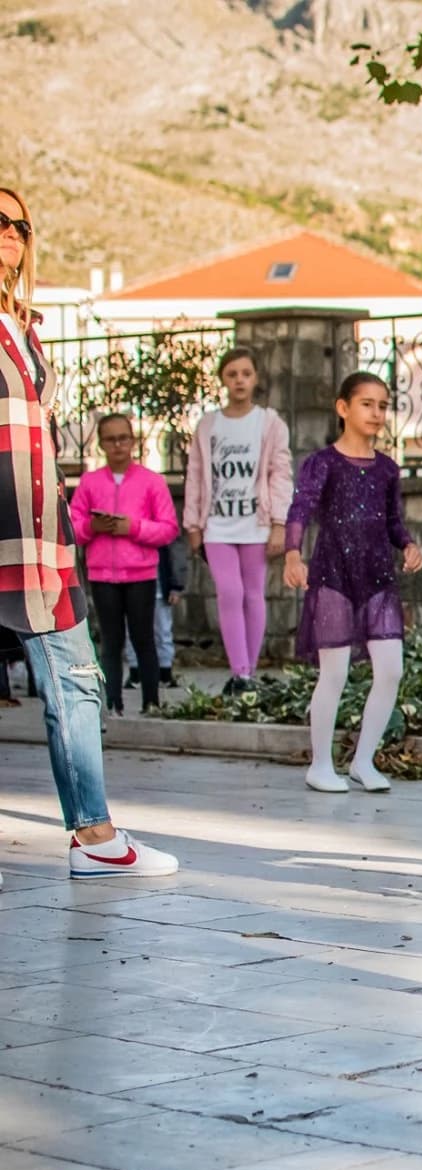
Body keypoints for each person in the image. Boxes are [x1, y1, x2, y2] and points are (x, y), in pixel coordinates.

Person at [0, 186, 177, 878]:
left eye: (21, 225)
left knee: (76, 678)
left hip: (39, 534)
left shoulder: (26, 327)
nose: (11, 233)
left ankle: (95, 837)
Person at [284, 372, 422, 794]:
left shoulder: (387, 469)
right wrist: (292, 554)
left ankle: (363, 761)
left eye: (383, 405)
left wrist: (409, 545)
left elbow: (393, 521)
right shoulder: (322, 463)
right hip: (333, 576)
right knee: (335, 673)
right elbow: (300, 509)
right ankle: (320, 765)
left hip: (378, 578)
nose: (376, 413)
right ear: (343, 408)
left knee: (391, 670)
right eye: (367, 404)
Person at [185, 347, 292, 694]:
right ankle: (239, 672)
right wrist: (193, 525)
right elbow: (195, 474)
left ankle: (249, 672)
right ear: (223, 380)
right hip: (217, 524)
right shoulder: (208, 425)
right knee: (229, 593)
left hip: (255, 523)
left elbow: (280, 474)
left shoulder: (269, 423)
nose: (239, 380)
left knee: (253, 594)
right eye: (232, 374)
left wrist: (279, 523)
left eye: (246, 373)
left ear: (256, 377)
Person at [70, 412, 179, 715]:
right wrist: (92, 527)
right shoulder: (90, 482)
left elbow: (168, 528)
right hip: (102, 574)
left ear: (132, 441)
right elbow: (72, 527)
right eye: (110, 439)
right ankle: (112, 702)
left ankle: (151, 702)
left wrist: (133, 527)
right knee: (111, 640)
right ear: (101, 444)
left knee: (144, 638)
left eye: (123, 438)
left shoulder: (151, 481)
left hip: (140, 573)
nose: (117, 445)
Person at [125, 537, 189, 691]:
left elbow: (175, 551)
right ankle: (135, 672)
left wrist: (176, 585)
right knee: (132, 630)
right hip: (130, 583)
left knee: (163, 631)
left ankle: (165, 671)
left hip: (159, 585)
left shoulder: (162, 526)